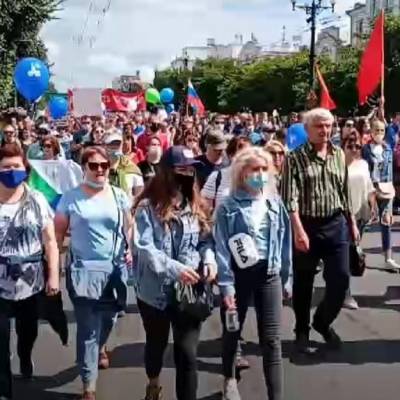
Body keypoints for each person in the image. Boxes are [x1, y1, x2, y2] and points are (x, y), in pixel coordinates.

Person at [133, 145, 216, 400]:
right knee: (156, 346)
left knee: (187, 354)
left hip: (189, 291)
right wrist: (175, 269)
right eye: (182, 168)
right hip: (154, 292)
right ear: (168, 172)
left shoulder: (196, 203)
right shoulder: (148, 208)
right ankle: (154, 382)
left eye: (192, 169)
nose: (188, 173)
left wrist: (209, 259)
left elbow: (205, 240)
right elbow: (144, 248)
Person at [214, 147, 292, 400]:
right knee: (232, 332)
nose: (259, 174)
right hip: (238, 277)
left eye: (263, 170)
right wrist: (226, 286)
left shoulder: (275, 203)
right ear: (241, 172)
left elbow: (284, 243)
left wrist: (286, 277)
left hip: (269, 275)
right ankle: (228, 378)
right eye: (254, 169)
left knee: (271, 340)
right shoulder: (228, 206)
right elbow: (222, 246)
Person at [54, 146, 131, 400]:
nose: (99, 170)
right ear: (83, 167)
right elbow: (58, 234)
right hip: (83, 271)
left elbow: (128, 228)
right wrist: (53, 267)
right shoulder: (70, 198)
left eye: (104, 166)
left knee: (109, 319)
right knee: (88, 328)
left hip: (115, 271)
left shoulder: (119, 196)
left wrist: (130, 249)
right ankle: (89, 386)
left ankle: (100, 348)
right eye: (93, 165)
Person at [281, 108, 359, 354]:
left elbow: (343, 191)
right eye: (319, 126)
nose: (325, 130)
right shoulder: (294, 158)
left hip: (335, 225)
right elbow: (289, 198)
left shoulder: (338, 154)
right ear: (307, 129)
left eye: (328, 125)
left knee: (341, 279)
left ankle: (322, 322)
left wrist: (352, 222)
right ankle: (302, 329)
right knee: (303, 283)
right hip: (306, 225)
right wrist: (298, 230)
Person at [0, 144, 59, 400]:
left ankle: (25, 357)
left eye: (16, 166)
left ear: (25, 168)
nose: (11, 171)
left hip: (30, 281)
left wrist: (54, 275)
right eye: (5, 167)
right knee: (0, 342)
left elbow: (50, 241)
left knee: (28, 332)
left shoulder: (36, 199)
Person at [342, 133, 376, 310]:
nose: (354, 149)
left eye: (357, 146)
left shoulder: (363, 164)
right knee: (348, 253)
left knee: (354, 251)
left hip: (361, 214)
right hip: (344, 216)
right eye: (350, 146)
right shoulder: (339, 165)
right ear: (344, 146)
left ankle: (338, 286)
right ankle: (346, 293)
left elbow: (369, 186)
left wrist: (373, 204)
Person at [362, 120, 400, 271]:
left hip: (386, 189)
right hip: (371, 188)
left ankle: (388, 258)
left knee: (386, 223)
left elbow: (393, 127)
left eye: (382, 130)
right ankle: (355, 251)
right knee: (364, 222)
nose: (379, 133)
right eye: (376, 130)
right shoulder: (365, 149)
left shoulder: (388, 148)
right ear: (370, 131)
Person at [201, 135, 251, 211]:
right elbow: (204, 209)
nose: (247, 158)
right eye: (243, 154)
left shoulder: (258, 179)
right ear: (231, 155)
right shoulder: (216, 177)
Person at [105, 131, 144, 198]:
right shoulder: (97, 167)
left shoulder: (132, 169)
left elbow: (138, 196)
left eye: (118, 143)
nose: (114, 147)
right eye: (111, 144)